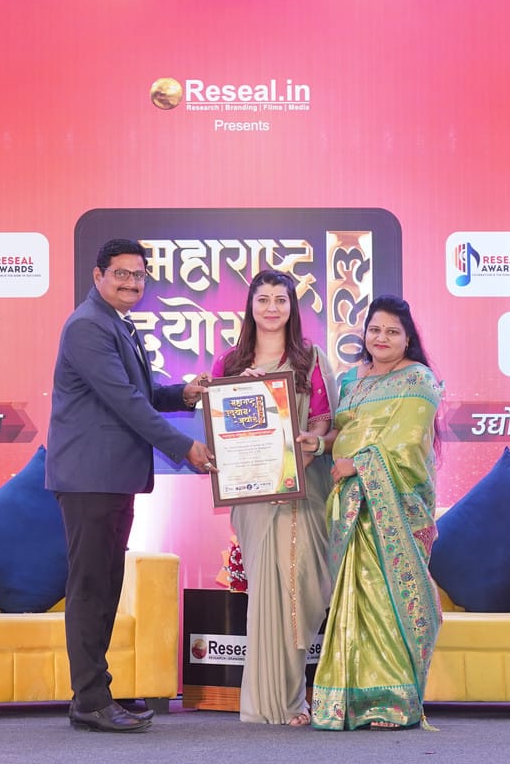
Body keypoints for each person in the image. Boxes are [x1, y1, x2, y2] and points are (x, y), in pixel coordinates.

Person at [45, 237, 216, 734]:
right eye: (121, 273)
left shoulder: (115, 322)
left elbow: (139, 393)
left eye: (138, 275)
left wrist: (183, 394)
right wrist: (184, 447)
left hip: (111, 478)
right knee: (90, 588)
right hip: (91, 477)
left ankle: (95, 693)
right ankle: (90, 699)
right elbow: (124, 401)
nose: (131, 283)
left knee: (104, 586)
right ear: (98, 275)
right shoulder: (87, 326)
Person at [308, 294, 443, 731]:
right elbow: (341, 433)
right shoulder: (351, 379)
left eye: (392, 331)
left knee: (386, 600)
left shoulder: (419, 379)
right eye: (374, 330)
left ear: (407, 339)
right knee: (353, 602)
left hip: (396, 504)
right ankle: (349, 701)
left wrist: (359, 465)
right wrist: (320, 443)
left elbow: (407, 443)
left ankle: (393, 702)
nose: (381, 338)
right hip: (348, 502)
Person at [211, 269, 336, 727]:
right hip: (254, 496)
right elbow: (219, 426)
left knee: (299, 589)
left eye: (280, 299)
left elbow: (323, 420)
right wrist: (240, 391)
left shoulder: (310, 359)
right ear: (250, 306)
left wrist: (307, 447)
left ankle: (290, 699)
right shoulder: (228, 364)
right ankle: (270, 705)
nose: (271, 308)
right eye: (262, 299)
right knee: (266, 592)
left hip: (302, 491)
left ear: (292, 307)